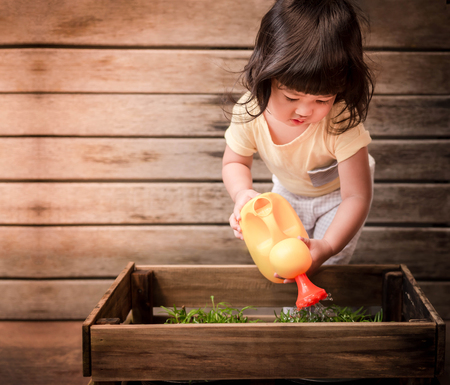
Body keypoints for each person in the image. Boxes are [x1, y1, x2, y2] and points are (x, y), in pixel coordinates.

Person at [222, 0, 376, 280]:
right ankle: (293, 316)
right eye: (291, 97)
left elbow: (356, 196)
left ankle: (326, 314)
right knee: (285, 259)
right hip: (288, 192)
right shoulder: (250, 113)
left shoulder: (341, 122)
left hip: (337, 198)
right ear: (265, 75)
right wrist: (241, 193)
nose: (305, 111)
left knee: (327, 263)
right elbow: (235, 162)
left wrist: (327, 246)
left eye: (322, 99)